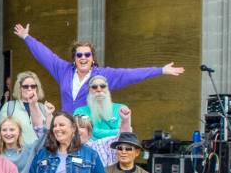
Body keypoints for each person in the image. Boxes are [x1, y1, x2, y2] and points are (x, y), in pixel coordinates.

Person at [12, 23, 185, 112]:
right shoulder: (64, 70)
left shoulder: (103, 75)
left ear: (93, 58)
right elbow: (46, 55)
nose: (83, 58)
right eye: (79, 55)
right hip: (67, 128)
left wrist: (161, 70)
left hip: (90, 129)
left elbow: (131, 74)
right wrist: (27, 37)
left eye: (87, 55)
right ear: (74, 59)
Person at [0, 71, 50, 147]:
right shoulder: (9, 107)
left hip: (39, 154)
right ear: (19, 88)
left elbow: (50, 134)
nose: (29, 89)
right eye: (25, 86)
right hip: (16, 154)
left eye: (33, 86)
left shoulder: (43, 108)